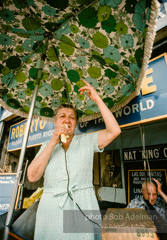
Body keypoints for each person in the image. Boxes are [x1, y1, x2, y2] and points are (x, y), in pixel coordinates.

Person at [27, 80, 121, 240]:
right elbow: (32, 176)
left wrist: (97, 99)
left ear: (76, 123)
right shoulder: (46, 145)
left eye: (72, 117)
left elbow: (114, 131)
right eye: (62, 116)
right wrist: (52, 142)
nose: (67, 120)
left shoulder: (86, 141)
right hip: (51, 209)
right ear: (55, 122)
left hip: (82, 206)